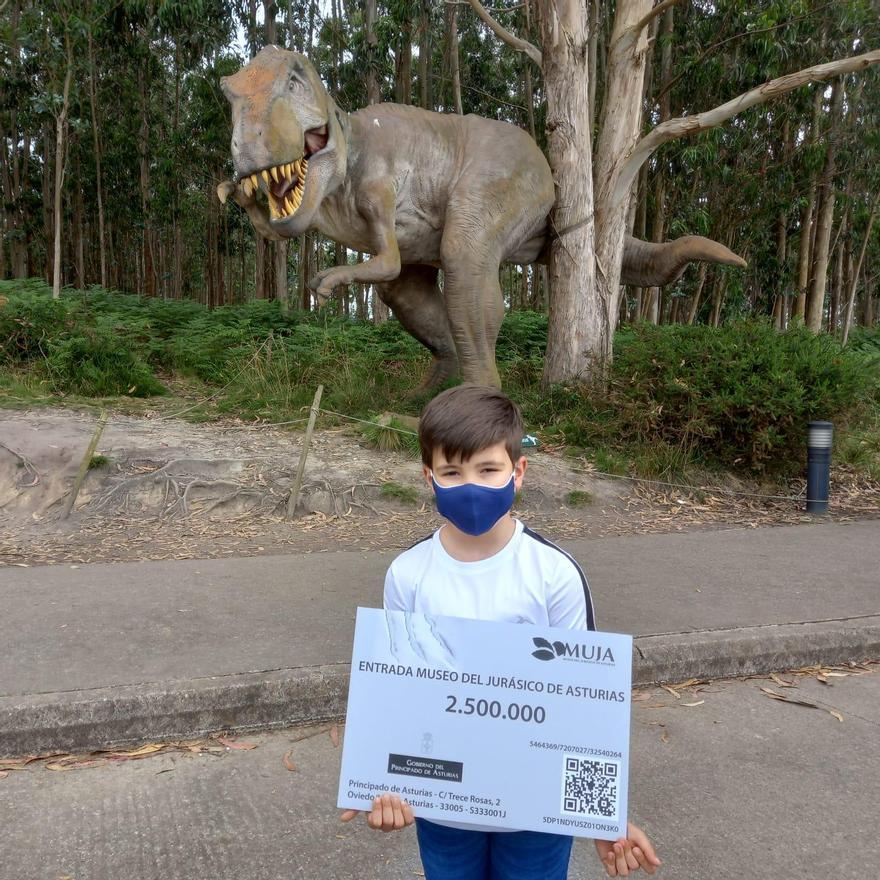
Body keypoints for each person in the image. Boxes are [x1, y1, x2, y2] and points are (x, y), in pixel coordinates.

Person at [341, 384, 661, 879]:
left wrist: (602, 816)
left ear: (519, 471)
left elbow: (584, 703)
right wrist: (376, 785)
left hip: (534, 810)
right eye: (452, 472)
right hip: (443, 805)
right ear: (429, 478)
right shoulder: (407, 573)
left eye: (488, 469)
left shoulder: (554, 574)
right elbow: (397, 693)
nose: (471, 484)